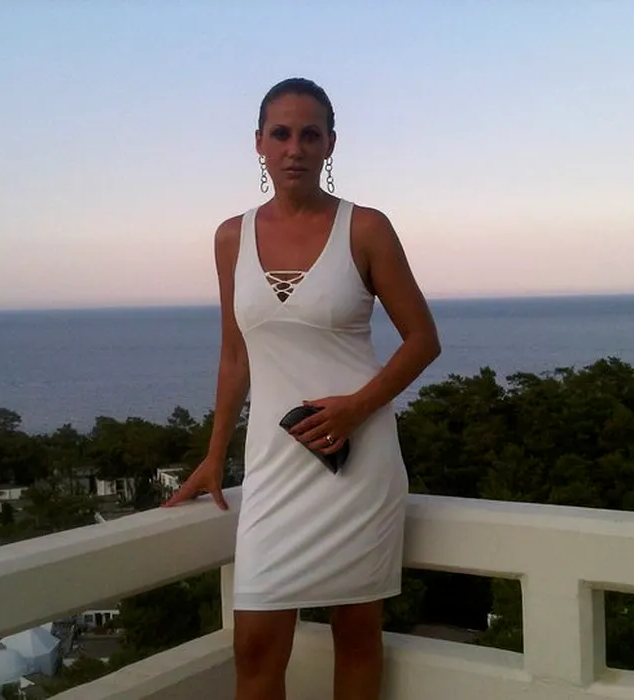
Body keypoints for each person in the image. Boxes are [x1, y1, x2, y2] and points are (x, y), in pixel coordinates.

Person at [164, 77, 440, 700]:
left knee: (357, 633)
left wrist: (356, 408)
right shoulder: (231, 237)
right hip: (273, 468)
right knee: (255, 646)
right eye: (281, 134)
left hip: (357, 463)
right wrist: (214, 455)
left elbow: (423, 339)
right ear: (258, 143)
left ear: (330, 144)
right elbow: (235, 355)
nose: (295, 148)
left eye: (310, 135)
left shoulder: (365, 228)